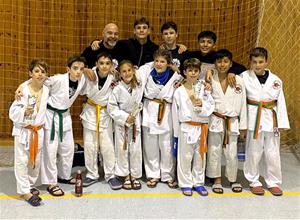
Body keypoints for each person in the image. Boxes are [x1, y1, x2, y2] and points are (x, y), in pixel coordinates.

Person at [241, 47, 290, 196]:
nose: (257, 65)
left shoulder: (276, 80)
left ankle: (273, 181)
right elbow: (241, 102)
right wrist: (241, 124)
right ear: (250, 62)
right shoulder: (243, 77)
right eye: (254, 62)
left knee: (273, 153)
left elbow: (280, 101)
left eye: (261, 62)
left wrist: (282, 123)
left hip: (271, 119)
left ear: (266, 62)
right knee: (253, 152)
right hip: (253, 119)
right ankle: (254, 181)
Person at [206, 49, 247, 194]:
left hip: (232, 121)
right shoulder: (210, 78)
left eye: (225, 61)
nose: (222, 64)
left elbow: (243, 104)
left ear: (231, 63)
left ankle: (232, 179)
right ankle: (216, 179)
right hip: (215, 120)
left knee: (232, 152)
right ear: (215, 64)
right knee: (214, 151)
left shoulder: (239, 80)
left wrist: (243, 126)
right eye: (219, 61)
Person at [9, 59, 49, 206]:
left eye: (43, 72)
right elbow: (12, 113)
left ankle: (30, 184)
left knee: (35, 162)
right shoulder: (23, 91)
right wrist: (23, 111)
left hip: (38, 130)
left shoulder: (46, 89)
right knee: (22, 161)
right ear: (30, 73)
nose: (40, 74)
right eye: (36, 71)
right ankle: (25, 192)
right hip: (23, 131)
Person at [172, 58, 215, 196]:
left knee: (200, 157)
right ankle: (185, 183)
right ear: (184, 72)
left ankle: (198, 182)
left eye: (195, 71)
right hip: (186, 126)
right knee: (185, 157)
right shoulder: (179, 91)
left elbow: (211, 106)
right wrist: (176, 133)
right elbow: (175, 112)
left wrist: (201, 104)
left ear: (199, 72)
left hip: (201, 127)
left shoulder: (204, 89)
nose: (192, 73)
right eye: (189, 70)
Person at [80, 52, 122, 189]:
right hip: (91, 112)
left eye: (107, 63)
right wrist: (83, 70)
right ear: (96, 64)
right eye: (101, 63)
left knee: (108, 146)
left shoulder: (115, 77)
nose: (104, 66)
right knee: (90, 146)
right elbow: (76, 83)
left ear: (111, 65)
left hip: (105, 113)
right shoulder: (88, 75)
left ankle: (110, 174)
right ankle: (92, 174)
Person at [107, 60, 152, 190]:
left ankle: (135, 175)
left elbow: (148, 65)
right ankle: (125, 175)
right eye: (124, 71)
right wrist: (126, 117)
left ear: (134, 71)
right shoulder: (117, 89)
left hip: (136, 120)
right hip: (122, 123)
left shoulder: (138, 85)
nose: (127, 73)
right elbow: (111, 108)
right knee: (122, 150)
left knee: (136, 150)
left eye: (129, 70)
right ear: (119, 74)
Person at [142, 49, 182, 189]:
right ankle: (153, 174)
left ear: (168, 64)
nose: (159, 64)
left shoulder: (176, 76)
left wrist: (177, 72)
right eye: (157, 61)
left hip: (166, 114)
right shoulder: (146, 73)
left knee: (166, 146)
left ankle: (168, 175)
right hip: (149, 111)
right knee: (150, 146)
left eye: (163, 61)